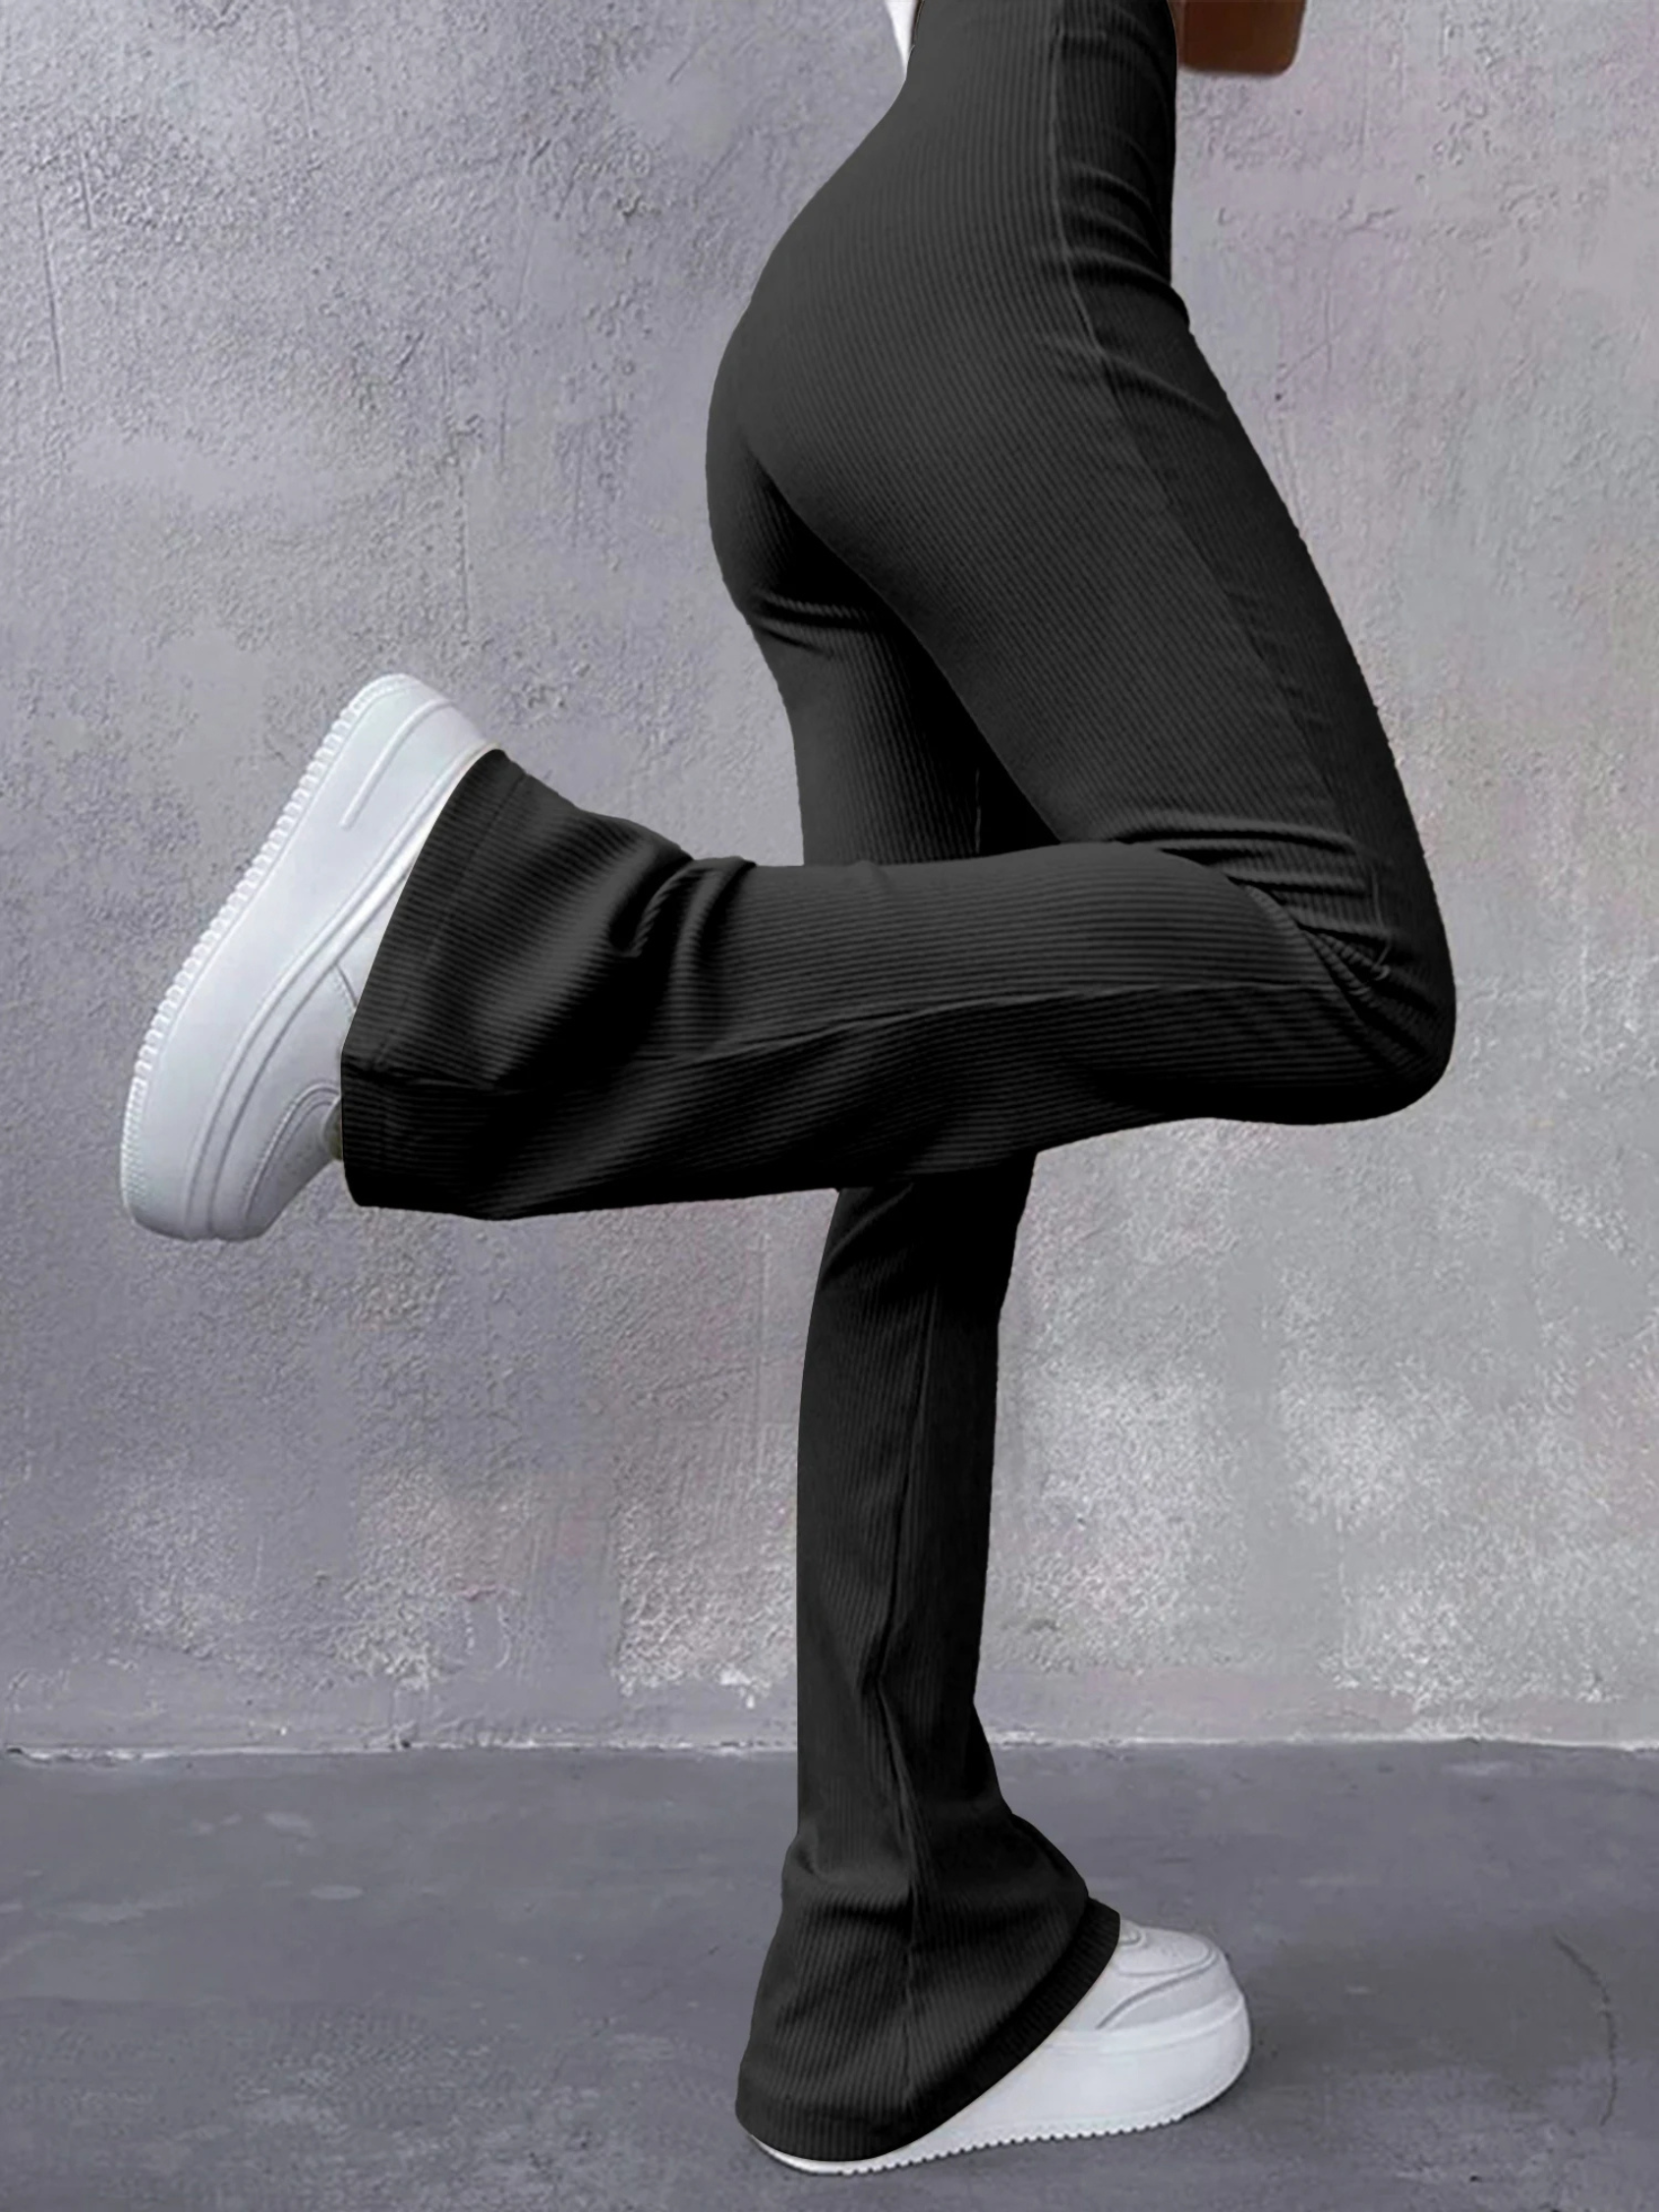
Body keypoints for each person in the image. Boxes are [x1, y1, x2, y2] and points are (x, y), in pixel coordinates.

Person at [120, 0, 1454, 2179]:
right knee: (1343, 959)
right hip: (999, 235)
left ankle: (889, 1968)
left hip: (866, 302)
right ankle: (480, 933)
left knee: (933, 1125)